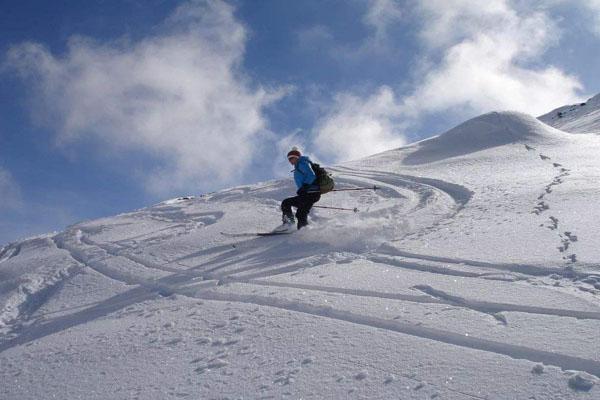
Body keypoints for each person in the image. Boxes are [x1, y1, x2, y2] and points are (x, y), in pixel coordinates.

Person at [276, 147, 321, 231]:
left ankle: (298, 229)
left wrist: (304, 187)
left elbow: (311, 176)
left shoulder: (302, 164)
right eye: (289, 159)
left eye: (291, 158)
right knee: (291, 207)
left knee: (297, 210)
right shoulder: (299, 166)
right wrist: (303, 189)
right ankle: (295, 227)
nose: (290, 161)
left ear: (296, 157)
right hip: (308, 194)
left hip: (311, 193)